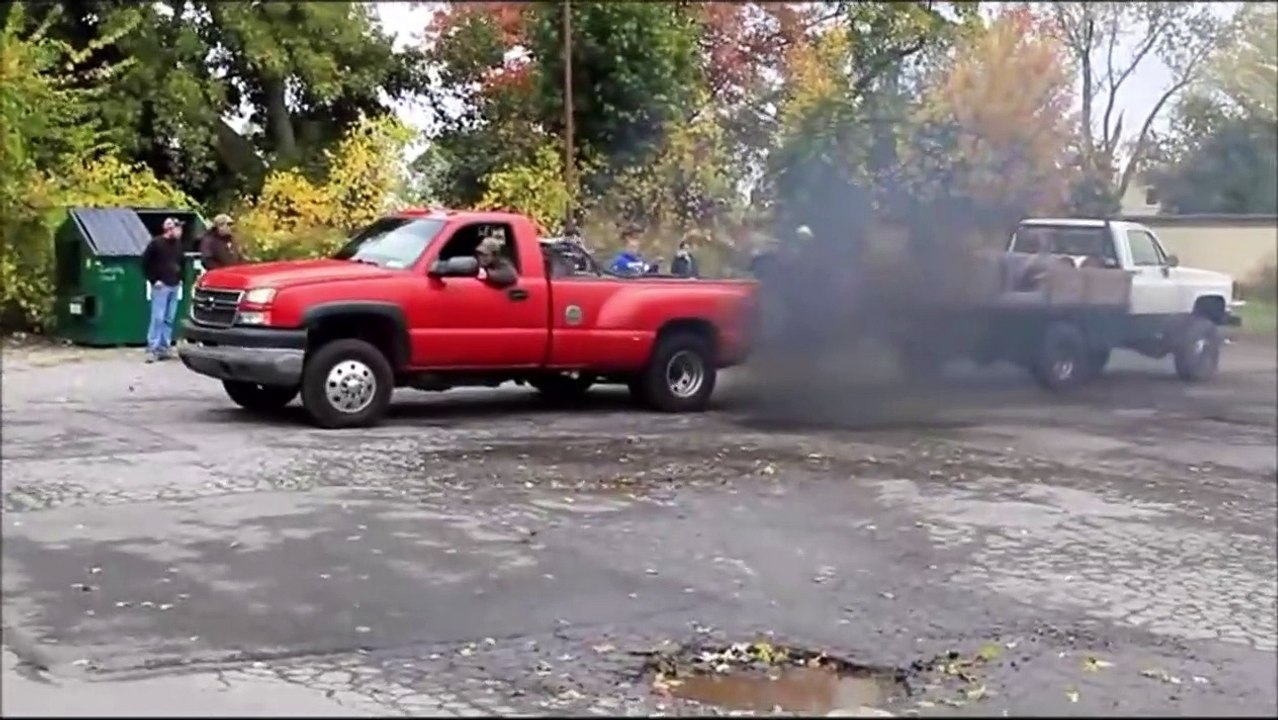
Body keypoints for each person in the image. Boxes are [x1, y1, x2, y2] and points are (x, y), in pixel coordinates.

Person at [141, 217, 185, 362]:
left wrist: (181, 279)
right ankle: (152, 348)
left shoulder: (178, 245)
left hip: (174, 284)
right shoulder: (156, 244)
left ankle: (164, 347)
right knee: (158, 317)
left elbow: (182, 262)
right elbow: (145, 263)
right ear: (170, 229)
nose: (180, 231)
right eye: (178, 228)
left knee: (169, 318)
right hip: (161, 286)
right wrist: (154, 280)